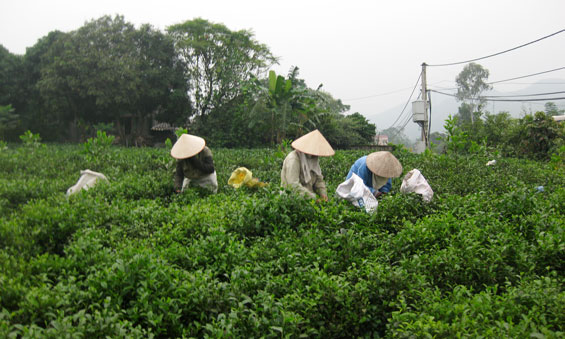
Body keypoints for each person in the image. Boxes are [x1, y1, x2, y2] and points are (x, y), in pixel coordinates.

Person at [281, 129, 335, 201]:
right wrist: (314, 198)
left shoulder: (312, 159)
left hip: (308, 200)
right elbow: (293, 185)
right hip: (291, 200)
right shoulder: (293, 159)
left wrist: (323, 194)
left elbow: (319, 179)